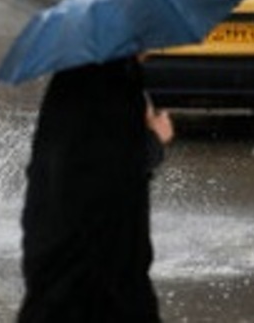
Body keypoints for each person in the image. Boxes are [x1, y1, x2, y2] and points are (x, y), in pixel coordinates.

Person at [18, 57, 173, 323]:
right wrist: (155, 138)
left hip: (56, 281)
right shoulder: (110, 88)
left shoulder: (71, 84)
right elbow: (111, 178)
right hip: (96, 287)